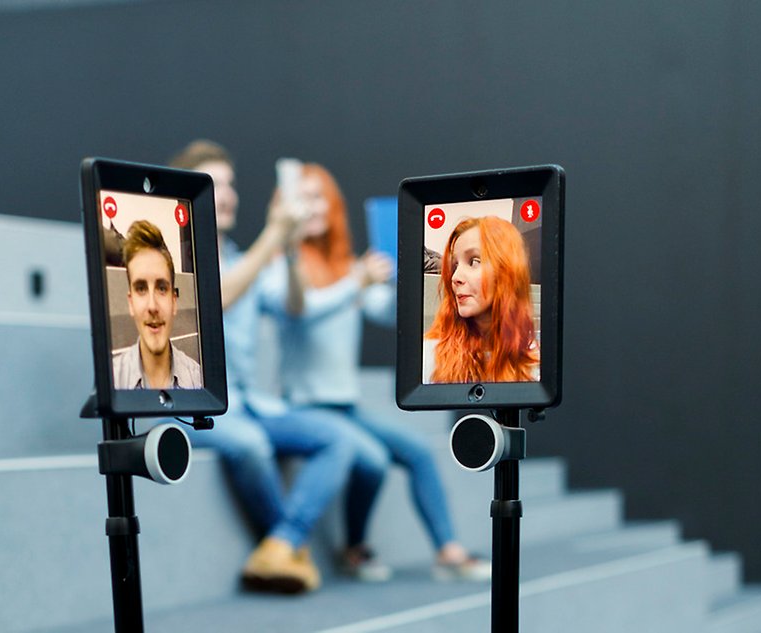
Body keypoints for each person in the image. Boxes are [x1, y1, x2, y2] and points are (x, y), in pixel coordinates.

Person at [168, 141, 386, 594]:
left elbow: (293, 305)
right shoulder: (174, 256)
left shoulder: (240, 259)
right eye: (214, 185)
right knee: (248, 444)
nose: (227, 195)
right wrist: (272, 235)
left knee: (339, 440)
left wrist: (288, 250)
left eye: (230, 184)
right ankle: (288, 544)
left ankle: (282, 544)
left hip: (248, 403)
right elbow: (216, 301)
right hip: (192, 407)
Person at [263, 162, 491, 582]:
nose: (312, 206)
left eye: (319, 197)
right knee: (371, 460)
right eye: (304, 197)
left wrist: (412, 281)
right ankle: (355, 549)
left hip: (346, 407)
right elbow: (301, 312)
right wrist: (358, 283)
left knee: (419, 451)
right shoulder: (283, 265)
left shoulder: (348, 268)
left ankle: (449, 551)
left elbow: (386, 313)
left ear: (333, 206)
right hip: (305, 407)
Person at [423, 216, 539, 384]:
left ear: (506, 271)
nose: (455, 277)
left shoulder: (534, 361)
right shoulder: (429, 355)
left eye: (474, 261)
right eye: (454, 266)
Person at [111, 220, 202, 390]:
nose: (152, 306)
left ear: (174, 301)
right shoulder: (113, 379)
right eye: (141, 289)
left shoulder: (197, 379)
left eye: (161, 288)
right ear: (131, 303)